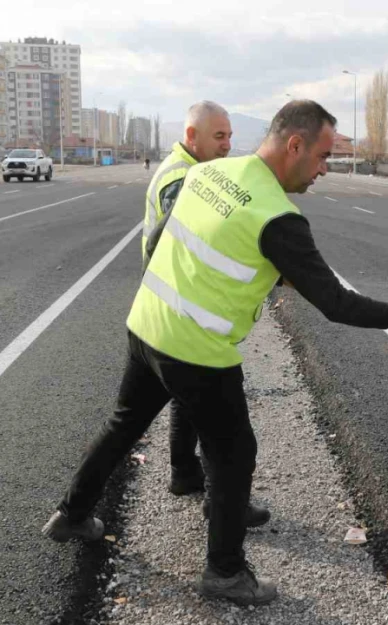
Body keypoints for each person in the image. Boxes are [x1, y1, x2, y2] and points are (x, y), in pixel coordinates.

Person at [43, 100, 388, 606]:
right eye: (322, 157)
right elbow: (336, 303)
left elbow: (166, 237)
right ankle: (226, 572)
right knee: (234, 454)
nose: (324, 169)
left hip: (147, 325)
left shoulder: (212, 173)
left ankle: (72, 514)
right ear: (293, 145)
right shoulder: (277, 217)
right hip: (198, 350)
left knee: (124, 423)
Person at [139, 102, 268, 525]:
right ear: (191, 136)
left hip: (166, 307)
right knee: (226, 431)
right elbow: (177, 237)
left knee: (153, 412)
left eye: (231, 137)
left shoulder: (186, 169)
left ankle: (183, 474)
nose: (228, 146)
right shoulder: (184, 177)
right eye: (219, 137)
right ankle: (221, 509)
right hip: (180, 309)